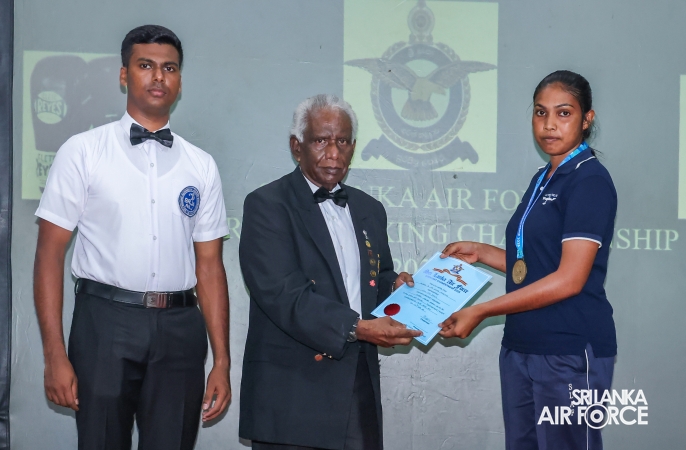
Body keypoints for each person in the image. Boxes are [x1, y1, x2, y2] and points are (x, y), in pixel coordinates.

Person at [33, 25, 231, 450]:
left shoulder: (201, 165)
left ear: (179, 81)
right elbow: (49, 253)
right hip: (104, 324)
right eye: (146, 65)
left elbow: (210, 266)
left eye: (169, 68)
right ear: (124, 75)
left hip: (180, 329)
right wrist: (54, 354)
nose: (158, 77)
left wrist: (222, 361)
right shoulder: (83, 151)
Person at [439, 71, 617, 450]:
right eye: (540, 112)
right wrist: (482, 253)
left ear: (587, 119)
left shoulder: (589, 180)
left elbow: (569, 279)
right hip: (521, 346)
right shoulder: (543, 177)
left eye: (564, 113)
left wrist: (481, 310)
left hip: (569, 349)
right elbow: (537, 264)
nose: (549, 124)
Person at [238, 94, 422, 450]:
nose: (334, 153)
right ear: (297, 146)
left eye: (343, 141)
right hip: (293, 393)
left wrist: (395, 288)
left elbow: (374, 279)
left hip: (356, 386)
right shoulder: (267, 205)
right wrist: (357, 327)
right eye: (321, 140)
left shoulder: (370, 208)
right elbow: (282, 293)